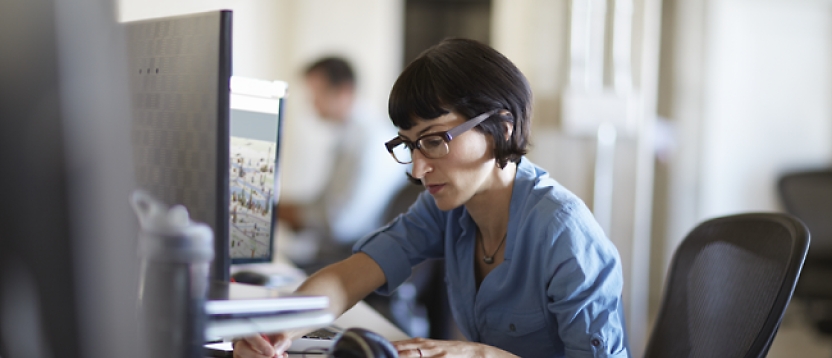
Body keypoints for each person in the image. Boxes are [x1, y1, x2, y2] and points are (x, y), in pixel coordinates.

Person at [236, 39, 629, 358]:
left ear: (502, 129)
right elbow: (352, 274)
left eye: (435, 141)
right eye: (410, 145)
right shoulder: (448, 210)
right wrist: (277, 330)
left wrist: (479, 355)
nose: (417, 169)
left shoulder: (565, 232)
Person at [278, 57, 406, 270]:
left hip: (355, 258)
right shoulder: (352, 135)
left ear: (344, 91)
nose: (312, 104)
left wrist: (281, 212)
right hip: (341, 252)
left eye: (316, 94)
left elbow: (342, 224)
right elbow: (325, 205)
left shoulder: (370, 141)